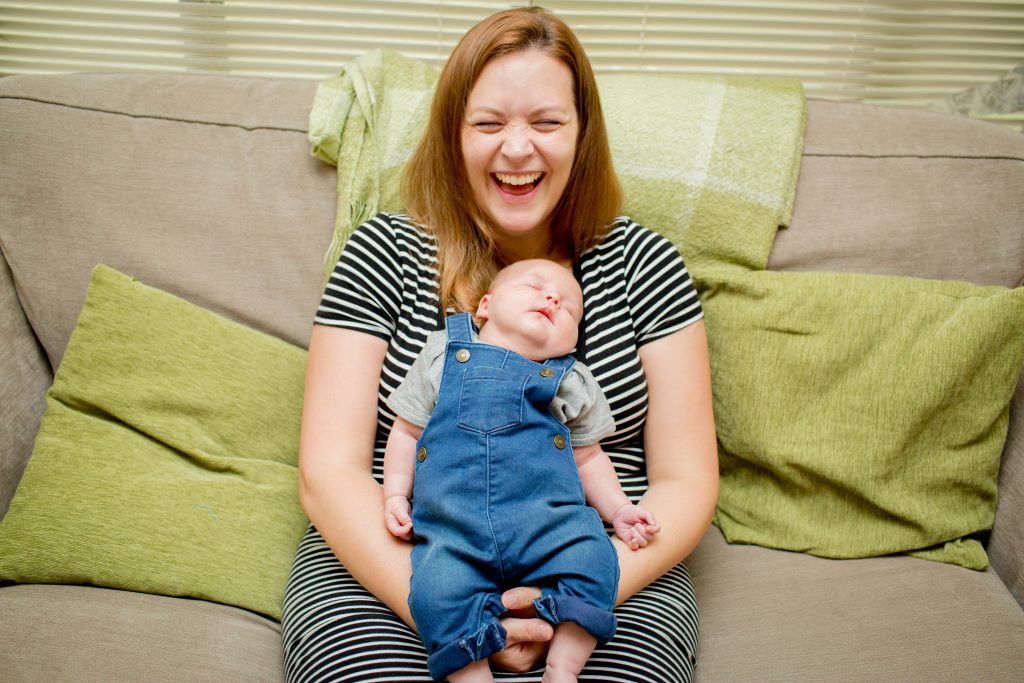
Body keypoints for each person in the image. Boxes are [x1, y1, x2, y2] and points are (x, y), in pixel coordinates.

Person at [282, 6, 719, 682]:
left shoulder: (645, 265)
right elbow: (328, 473)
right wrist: (450, 612)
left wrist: (574, 602)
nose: (518, 150)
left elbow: (685, 480)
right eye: (488, 124)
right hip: (403, 560)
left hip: (599, 563)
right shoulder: (382, 252)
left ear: (583, 133)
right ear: (453, 136)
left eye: (546, 122)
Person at [383, 259, 661, 682]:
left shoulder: (572, 382)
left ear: (570, 343)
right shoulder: (442, 355)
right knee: (434, 593)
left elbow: (590, 458)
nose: (552, 299)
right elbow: (405, 435)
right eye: (534, 286)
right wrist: (395, 495)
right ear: (486, 307)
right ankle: (472, 673)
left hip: (549, 528)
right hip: (453, 534)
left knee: (595, 560)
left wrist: (619, 510)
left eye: (568, 308)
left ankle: (564, 666)